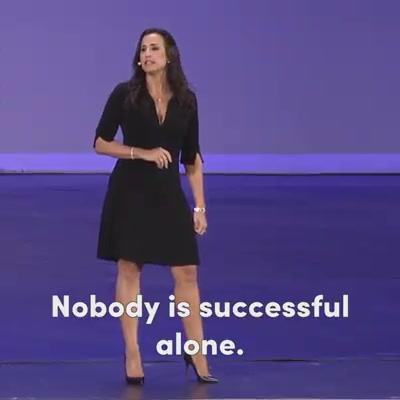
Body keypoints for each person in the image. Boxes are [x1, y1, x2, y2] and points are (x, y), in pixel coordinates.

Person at [92, 28, 218, 385]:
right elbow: (100, 143)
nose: (147, 54)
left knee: (187, 271)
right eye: (143, 49)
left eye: (154, 48)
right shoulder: (125, 95)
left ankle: (196, 352)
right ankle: (132, 351)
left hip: (167, 194)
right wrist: (141, 153)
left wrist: (200, 206)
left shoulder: (187, 101)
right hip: (129, 192)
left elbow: (192, 157)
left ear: (169, 55)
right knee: (130, 268)